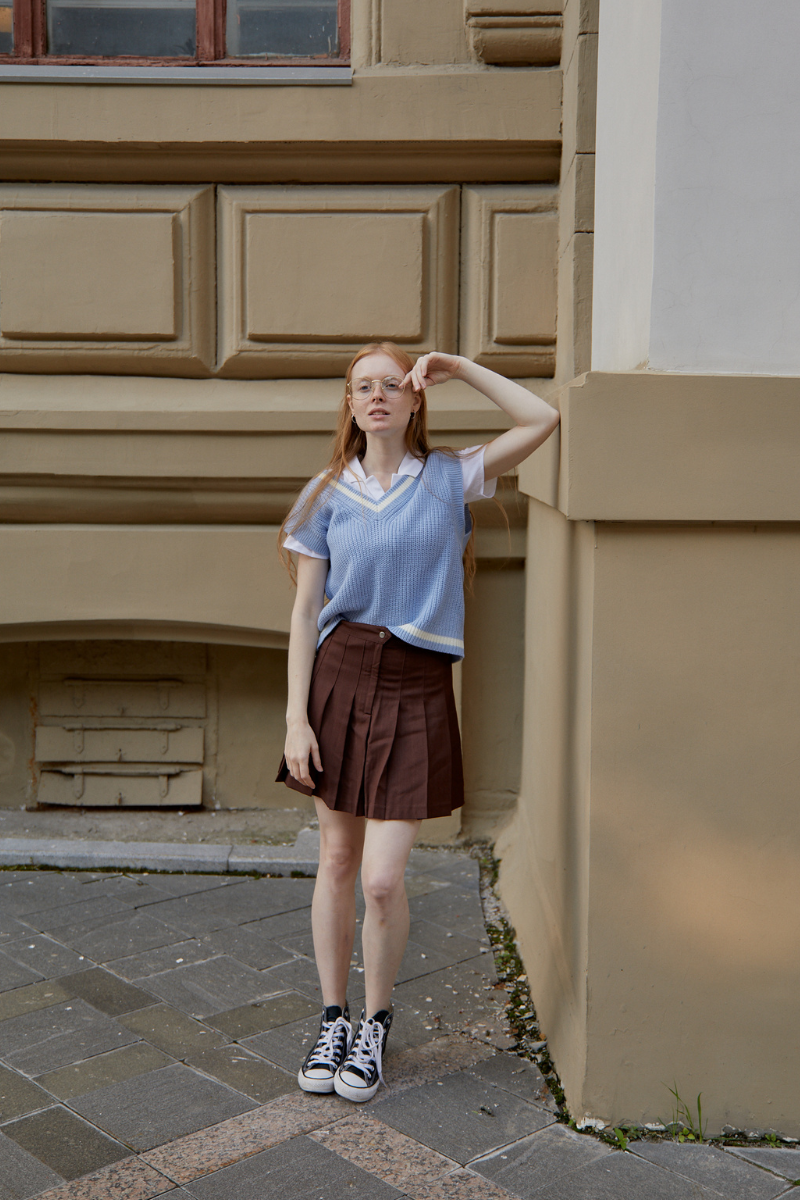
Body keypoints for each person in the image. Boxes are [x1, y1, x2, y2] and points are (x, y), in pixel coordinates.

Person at [277, 342, 559, 1102]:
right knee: (337, 863)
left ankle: (375, 1023)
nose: (376, 397)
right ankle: (333, 1017)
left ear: (413, 400)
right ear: (348, 404)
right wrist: (297, 719)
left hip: (416, 681)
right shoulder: (325, 493)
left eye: (391, 385)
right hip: (337, 680)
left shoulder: (449, 477)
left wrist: (460, 368)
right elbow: (306, 613)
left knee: (381, 878)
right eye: (361, 387)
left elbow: (543, 416)